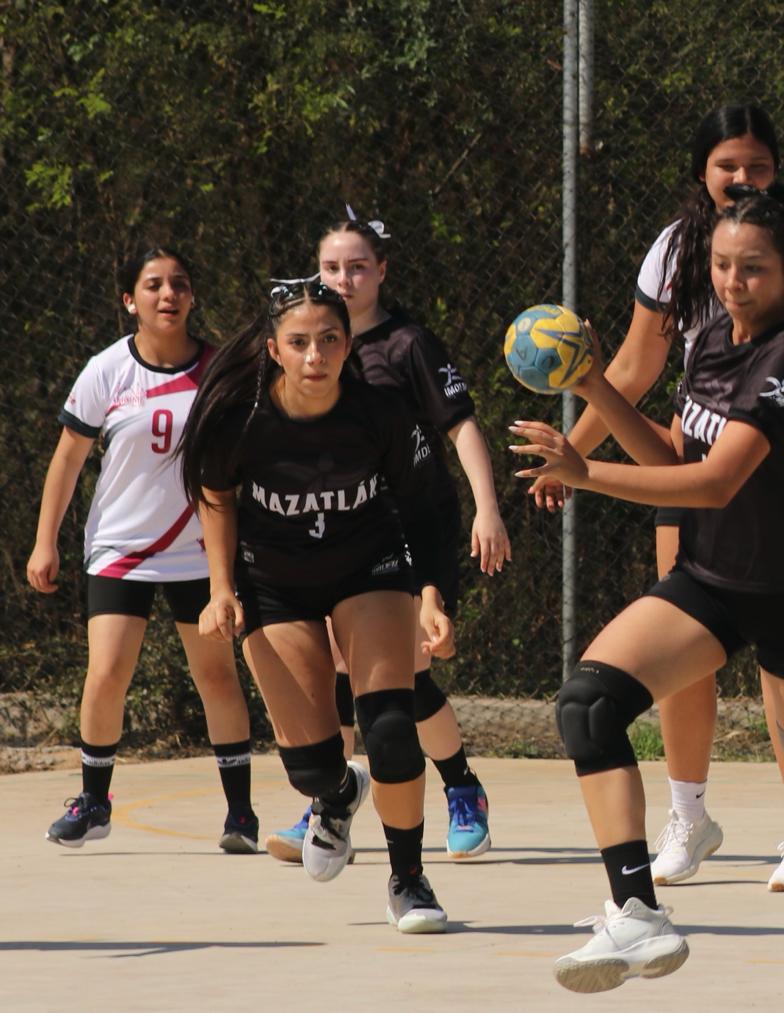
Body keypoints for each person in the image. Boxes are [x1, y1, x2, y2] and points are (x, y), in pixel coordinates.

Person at [512, 185, 784, 1011]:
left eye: (753, 268)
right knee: (587, 706)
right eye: (723, 265)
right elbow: (670, 449)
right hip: (713, 581)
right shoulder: (712, 340)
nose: (733, 281)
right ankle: (636, 910)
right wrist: (592, 383)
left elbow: (718, 480)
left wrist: (583, 473)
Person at [179, 278, 455, 934]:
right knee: (310, 764)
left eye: (328, 339)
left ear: (347, 342)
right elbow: (215, 497)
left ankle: (408, 877)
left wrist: (433, 595)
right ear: (274, 348)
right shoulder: (238, 418)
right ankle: (335, 794)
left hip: (370, 567)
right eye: (298, 341)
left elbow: (428, 505)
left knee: (388, 727)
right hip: (274, 583)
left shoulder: (379, 412)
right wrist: (221, 588)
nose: (314, 354)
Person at [265, 211, 505, 863]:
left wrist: (488, 506)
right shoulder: (303, 344)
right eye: (332, 267)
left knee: (407, 674)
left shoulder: (408, 346)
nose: (344, 278)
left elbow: (460, 426)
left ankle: (462, 789)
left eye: (358, 266)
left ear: (382, 272)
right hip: (339, 527)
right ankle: (328, 803)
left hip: (410, 526)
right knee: (346, 675)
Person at [27, 248, 259, 852]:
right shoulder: (106, 370)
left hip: (196, 548)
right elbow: (69, 458)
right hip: (121, 546)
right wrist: (44, 540)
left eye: (179, 284)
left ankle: (240, 815)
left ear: (192, 297)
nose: (168, 294)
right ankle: (94, 801)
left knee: (216, 675)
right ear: (130, 300)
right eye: (153, 285)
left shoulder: (217, 369)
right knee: (105, 675)